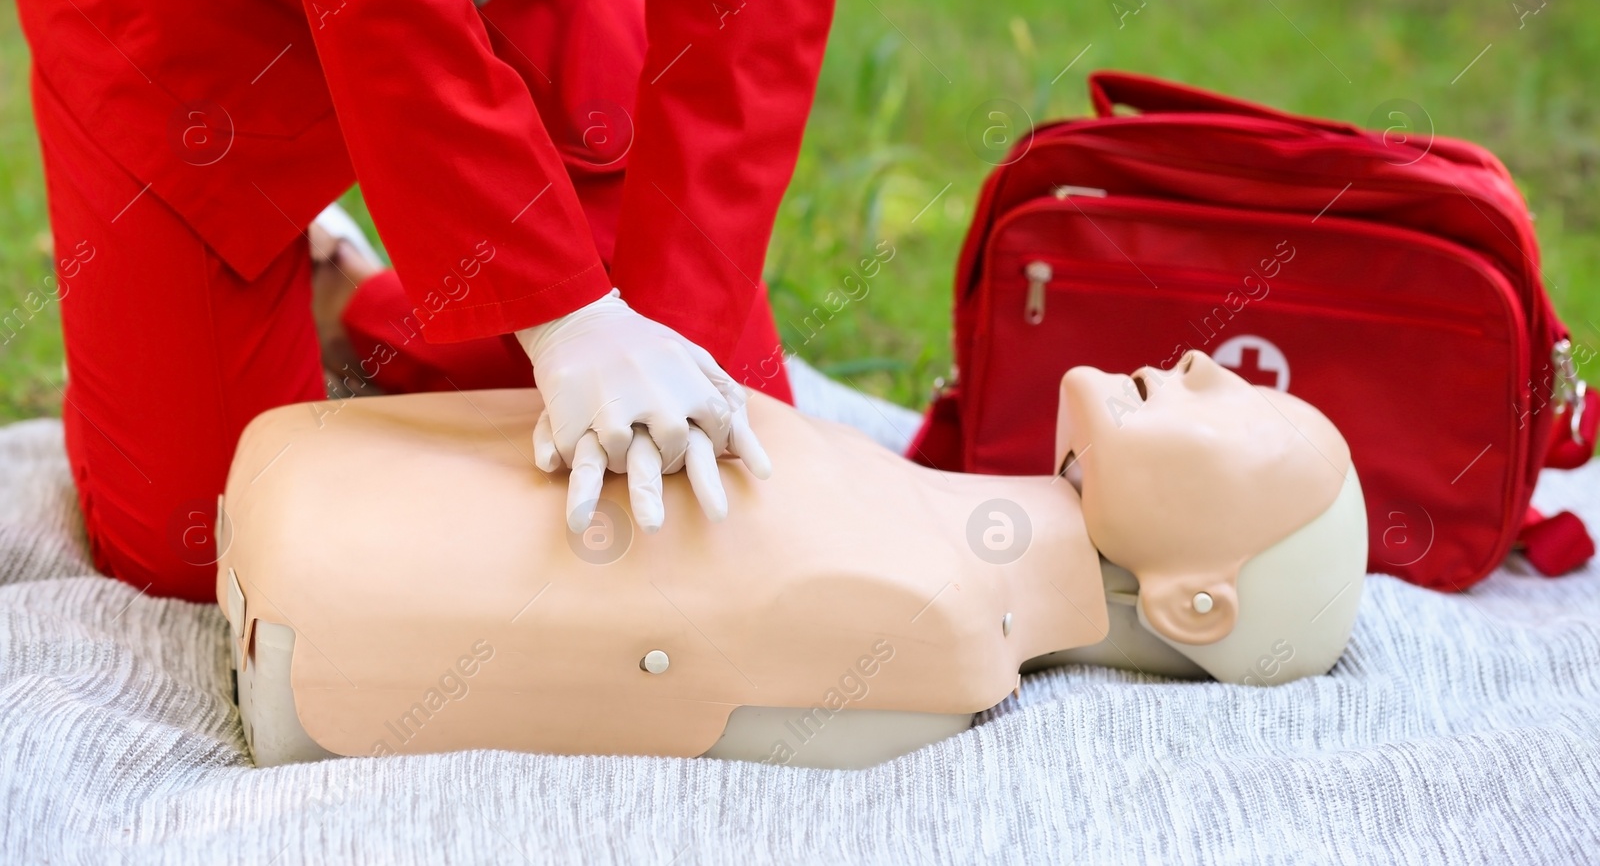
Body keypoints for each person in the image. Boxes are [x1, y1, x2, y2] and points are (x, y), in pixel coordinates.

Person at [9, 0, 871, 601]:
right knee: (205, 545)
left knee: (709, 472)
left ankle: (346, 301)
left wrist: (678, 336)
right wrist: (564, 312)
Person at [221, 352, 1368, 767]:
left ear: (1197, 601)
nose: (1208, 360)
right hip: (321, 506)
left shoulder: (938, 626)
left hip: (324, 600)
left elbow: (630, 649)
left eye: (1248, 418)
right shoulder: (924, 543)